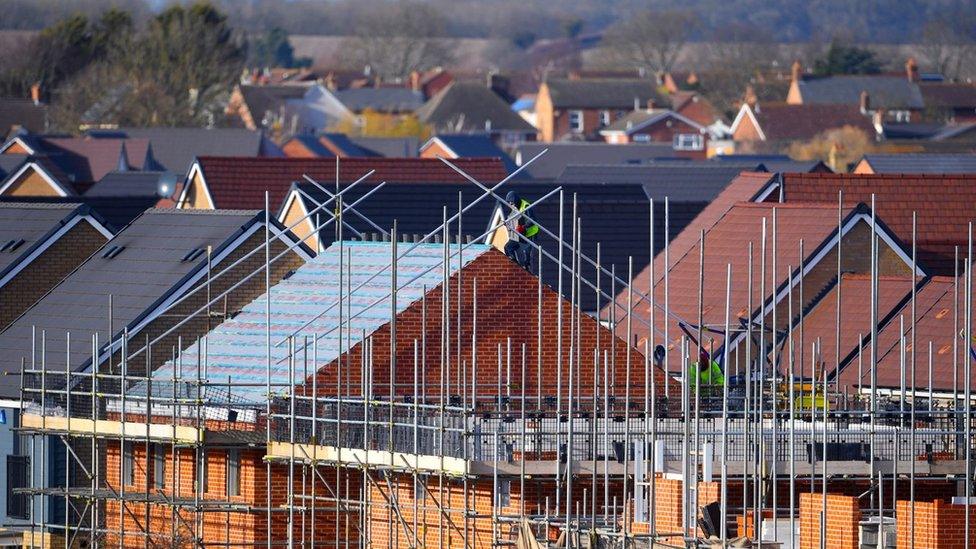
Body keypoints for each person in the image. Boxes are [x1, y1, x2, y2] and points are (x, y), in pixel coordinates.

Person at [502, 191, 539, 271]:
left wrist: (523, 227)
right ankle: (516, 267)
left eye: (512, 202)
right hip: (520, 234)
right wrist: (507, 222)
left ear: (516, 200)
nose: (511, 204)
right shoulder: (515, 207)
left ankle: (527, 268)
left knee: (527, 254)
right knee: (508, 248)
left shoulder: (525, 206)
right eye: (510, 203)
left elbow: (532, 220)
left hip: (530, 233)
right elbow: (512, 218)